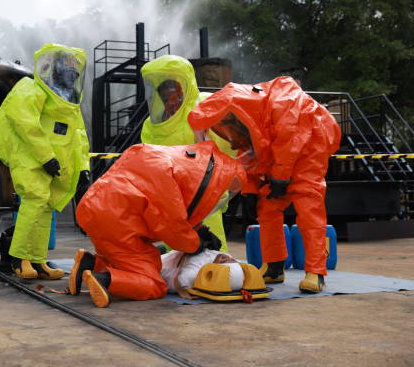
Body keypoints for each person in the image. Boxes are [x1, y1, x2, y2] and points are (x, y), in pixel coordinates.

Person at [187, 76, 341, 293]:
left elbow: (291, 139)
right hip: (278, 156)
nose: (230, 134)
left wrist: (280, 175)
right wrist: (250, 191)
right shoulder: (254, 119)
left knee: (308, 207)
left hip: (310, 150)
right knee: (267, 207)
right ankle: (274, 266)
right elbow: (251, 156)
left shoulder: (284, 100)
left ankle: (315, 271)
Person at [69, 141, 245, 308]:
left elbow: (165, 207)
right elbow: (171, 227)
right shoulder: (167, 179)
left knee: (128, 260)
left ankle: (90, 263)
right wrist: (195, 243)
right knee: (153, 283)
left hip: (95, 209)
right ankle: (103, 279)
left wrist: (198, 230)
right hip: (118, 223)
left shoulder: (162, 159)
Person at [0, 43, 90, 280]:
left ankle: (38, 260)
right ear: (55, 69)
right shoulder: (31, 88)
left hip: (52, 164)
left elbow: (79, 136)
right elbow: (26, 125)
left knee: (45, 208)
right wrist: (46, 157)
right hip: (30, 157)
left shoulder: (69, 102)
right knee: (35, 201)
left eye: (75, 70)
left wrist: (83, 167)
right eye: (68, 68)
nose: (72, 74)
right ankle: (19, 259)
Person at [140, 54, 236, 253]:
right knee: (177, 250)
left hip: (204, 193)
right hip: (171, 196)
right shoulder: (152, 125)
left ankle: (219, 272)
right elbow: (147, 161)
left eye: (173, 90)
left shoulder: (205, 108)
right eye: (164, 92)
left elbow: (230, 142)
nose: (170, 98)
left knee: (212, 246)